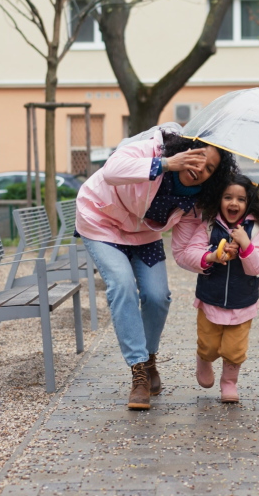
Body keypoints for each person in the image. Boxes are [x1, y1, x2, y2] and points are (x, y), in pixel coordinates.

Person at [75, 129, 236, 410]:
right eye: (198, 158)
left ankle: (150, 359)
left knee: (158, 296)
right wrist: (166, 164)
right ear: (186, 149)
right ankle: (139, 373)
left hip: (143, 235)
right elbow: (112, 170)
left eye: (209, 168)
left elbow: (185, 250)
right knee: (122, 285)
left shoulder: (195, 204)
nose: (200, 169)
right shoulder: (152, 150)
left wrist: (209, 258)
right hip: (100, 220)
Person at [173, 173, 259, 404]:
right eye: (228, 197)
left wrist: (245, 244)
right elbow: (189, 254)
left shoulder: (254, 231)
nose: (234, 203)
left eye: (240, 199)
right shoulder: (208, 226)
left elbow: (257, 267)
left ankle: (229, 383)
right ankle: (203, 358)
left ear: (249, 203)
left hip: (242, 301)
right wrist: (213, 256)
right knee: (208, 345)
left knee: (234, 349)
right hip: (211, 298)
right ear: (219, 199)